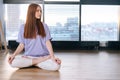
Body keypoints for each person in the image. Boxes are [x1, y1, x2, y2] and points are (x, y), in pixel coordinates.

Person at [8, 3, 61, 71]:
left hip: (43, 56)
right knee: (12, 62)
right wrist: (13, 55)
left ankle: (31, 63)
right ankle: (37, 62)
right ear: (31, 12)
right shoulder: (23, 27)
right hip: (29, 57)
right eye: (37, 11)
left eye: (40, 11)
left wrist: (52, 57)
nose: (40, 13)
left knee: (56, 66)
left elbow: (47, 42)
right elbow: (21, 45)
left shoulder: (44, 26)